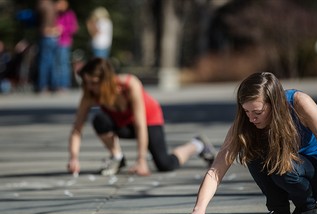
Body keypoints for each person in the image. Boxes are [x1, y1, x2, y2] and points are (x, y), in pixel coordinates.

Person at [186, 72, 317, 214]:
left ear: (275, 104)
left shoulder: (299, 103)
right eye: (246, 111)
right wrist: (199, 209)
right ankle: (280, 212)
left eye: (257, 112)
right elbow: (217, 169)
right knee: (252, 153)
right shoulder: (246, 122)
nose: (251, 118)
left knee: (284, 163)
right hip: (288, 172)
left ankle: (307, 210)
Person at [67, 58, 216, 176]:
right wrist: (73, 158)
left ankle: (197, 144)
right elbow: (77, 129)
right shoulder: (90, 95)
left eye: (93, 83)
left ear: (106, 80)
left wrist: (141, 160)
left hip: (149, 120)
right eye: (86, 83)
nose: (90, 87)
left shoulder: (129, 84)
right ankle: (117, 157)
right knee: (100, 120)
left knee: (165, 164)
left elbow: (140, 124)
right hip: (124, 124)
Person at [35, 0, 60, 93]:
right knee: (52, 62)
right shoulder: (52, 6)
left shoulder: (43, 5)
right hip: (53, 35)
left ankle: (43, 85)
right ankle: (53, 85)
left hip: (46, 34)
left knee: (44, 62)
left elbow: (38, 18)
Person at [55, 0, 78, 91]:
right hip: (56, 42)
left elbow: (73, 28)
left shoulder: (69, 14)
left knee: (63, 64)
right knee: (57, 64)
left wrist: (62, 29)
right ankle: (57, 84)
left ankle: (64, 84)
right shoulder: (57, 14)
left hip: (65, 41)